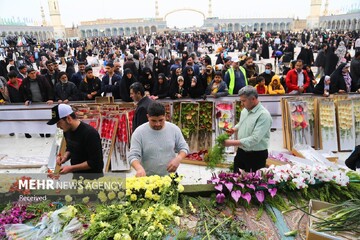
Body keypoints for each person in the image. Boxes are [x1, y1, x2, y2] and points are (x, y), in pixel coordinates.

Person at [128, 101, 189, 177]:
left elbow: (184, 147)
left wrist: (178, 159)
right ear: (148, 117)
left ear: (165, 116)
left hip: (170, 176)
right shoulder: (139, 132)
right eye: (153, 121)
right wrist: (139, 168)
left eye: (161, 120)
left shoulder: (174, 129)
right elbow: (133, 156)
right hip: (147, 178)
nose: (157, 124)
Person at [224, 86, 272, 173]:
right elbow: (242, 122)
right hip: (241, 152)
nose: (242, 104)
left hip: (256, 156)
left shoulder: (264, 115)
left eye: (243, 101)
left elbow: (255, 139)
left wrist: (231, 143)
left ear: (253, 99)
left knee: (252, 184)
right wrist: (234, 129)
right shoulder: (245, 110)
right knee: (236, 179)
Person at [48, 104, 103, 176]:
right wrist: (65, 157)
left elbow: (95, 162)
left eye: (59, 123)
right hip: (77, 175)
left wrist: (71, 168)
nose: (58, 126)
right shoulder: (67, 131)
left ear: (69, 119)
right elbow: (70, 147)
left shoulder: (90, 134)